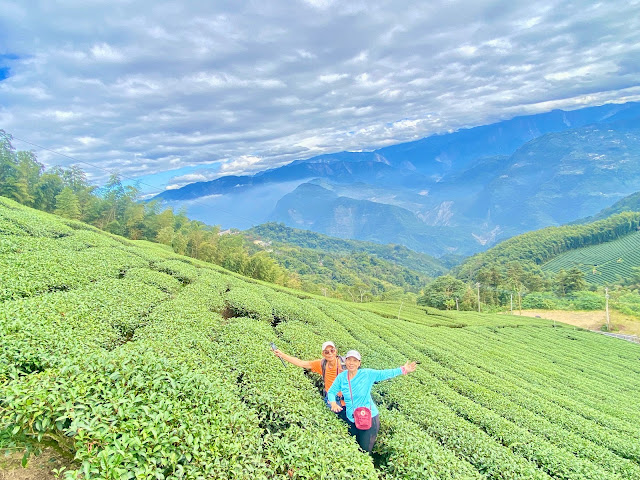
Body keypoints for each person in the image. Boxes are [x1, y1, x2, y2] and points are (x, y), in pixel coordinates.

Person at [327, 350, 417, 453]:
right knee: (353, 449)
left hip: (368, 418)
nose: (351, 363)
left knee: (364, 452)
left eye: (355, 360)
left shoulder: (367, 374)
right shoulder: (342, 377)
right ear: (345, 361)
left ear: (359, 363)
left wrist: (403, 369)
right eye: (349, 360)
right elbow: (331, 392)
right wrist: (333, 403)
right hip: (351, 419)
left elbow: (384, 374)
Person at [273, 341, 347, 420]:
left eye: (332, 350)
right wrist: (282, 355)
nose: (330, 353)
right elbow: (301, 363)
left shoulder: (344, 364)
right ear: (323, 354)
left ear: (336, 351)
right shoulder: (321, 364)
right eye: (326, 352)